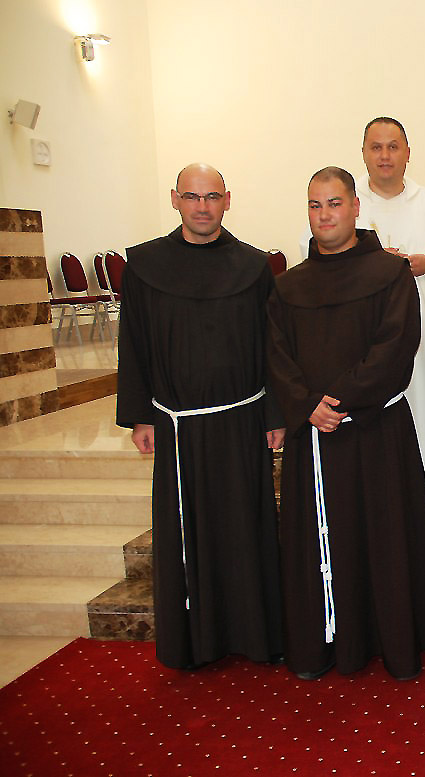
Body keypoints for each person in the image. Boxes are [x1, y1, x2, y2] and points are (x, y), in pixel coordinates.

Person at [267, 166, 425, 681]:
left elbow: (397, 345)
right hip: (314, 436)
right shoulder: (288, 286)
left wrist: (339, 400)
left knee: (384, 538)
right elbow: (275, 355)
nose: (325, 215)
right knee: (323, 542)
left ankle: (394, 642)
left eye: (335, 203)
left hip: (376, 429)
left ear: (355, 207)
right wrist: (306, 405)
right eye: (315, 205)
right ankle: (323, 641)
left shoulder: (390, 273)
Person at [117, 163, 283, 670]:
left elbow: (273, 347)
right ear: (175, 199)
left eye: (212, 197)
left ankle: (254, 636)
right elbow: (134, 343)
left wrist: (275, 413)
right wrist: (140, 415)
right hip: (176, 425)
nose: (202, 207)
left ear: (227, 200)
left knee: (244, 529)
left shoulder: (254, 267)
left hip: (241, 421)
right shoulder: (144, 265)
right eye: (192, 196)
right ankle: (191, 641)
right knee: (185, 531)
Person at [297, 117, 425, 519]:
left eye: (393, 146)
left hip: (416, 339)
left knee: (421, 424)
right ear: (364, 153)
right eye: (376, 147)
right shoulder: (344, 203)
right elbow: (311, 252)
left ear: (408, 153)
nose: (385, 155)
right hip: (354, 345)